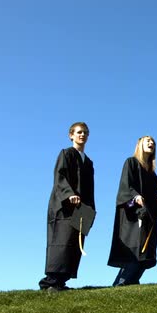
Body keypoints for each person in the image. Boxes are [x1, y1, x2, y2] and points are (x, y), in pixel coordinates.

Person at [39, 122, 95, 292]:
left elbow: (91, 188)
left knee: (75, 244)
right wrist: (69, 194)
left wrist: (91, 209)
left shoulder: (88, 162)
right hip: (64, 207)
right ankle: (50, 282)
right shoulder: (66, 154)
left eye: (85, 132)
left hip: (82, 207)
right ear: (71, 135)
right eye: (78, 132)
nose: (82, 135)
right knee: (62, 242)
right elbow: (60, 177)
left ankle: (61, 282)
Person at [108, 136, 157, 286]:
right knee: (135, 252)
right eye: (147, 141)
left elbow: (150, 197)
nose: (151, 143)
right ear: (139, 145)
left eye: (154, 142)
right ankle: (120, 285)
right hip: (132, 216)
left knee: (145, 253)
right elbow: (126, 186)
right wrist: (135, 196)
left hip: (147, 217)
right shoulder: (131, 163)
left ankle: (130, 283)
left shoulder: (151, 172)